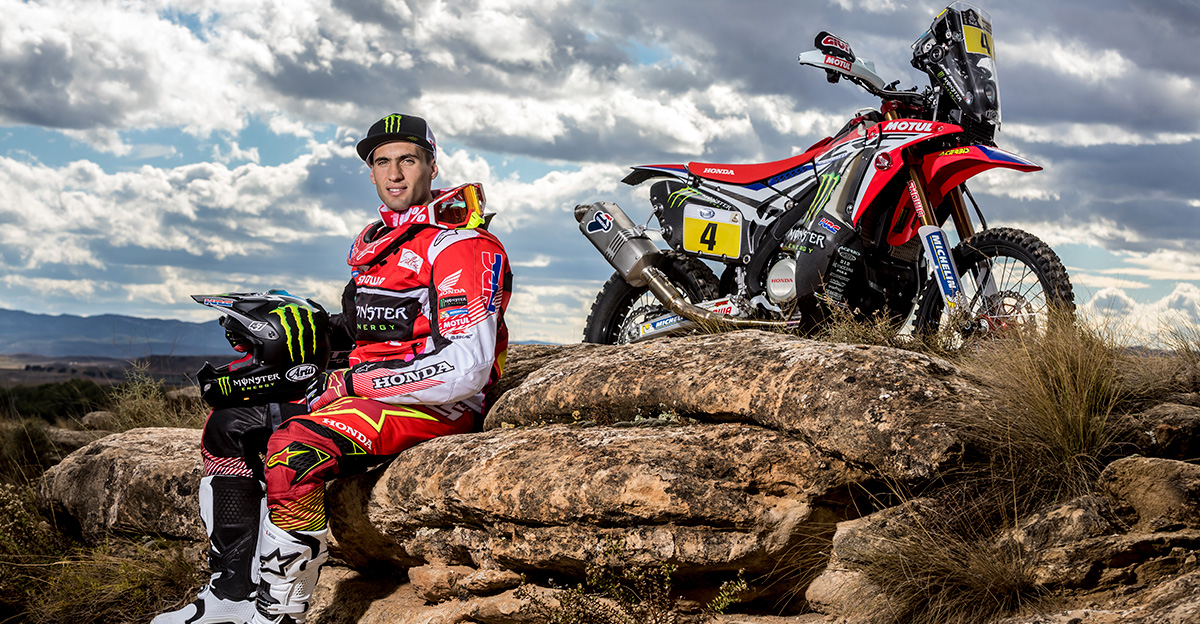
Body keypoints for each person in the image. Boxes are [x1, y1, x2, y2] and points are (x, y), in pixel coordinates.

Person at [155, 114, 512, 624]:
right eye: (382, 162)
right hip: (367, 394)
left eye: (407, 160)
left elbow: (466, 368)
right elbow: (364, 329)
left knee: (293, 451)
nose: (394, 173)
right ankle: (230, 595)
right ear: (371, 172)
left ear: (432, 166)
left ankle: (281, 613)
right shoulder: (383, 243)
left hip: (439, 405)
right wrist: (282, 329)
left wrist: (354, 382)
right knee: (228, 425)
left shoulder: (462, 247)